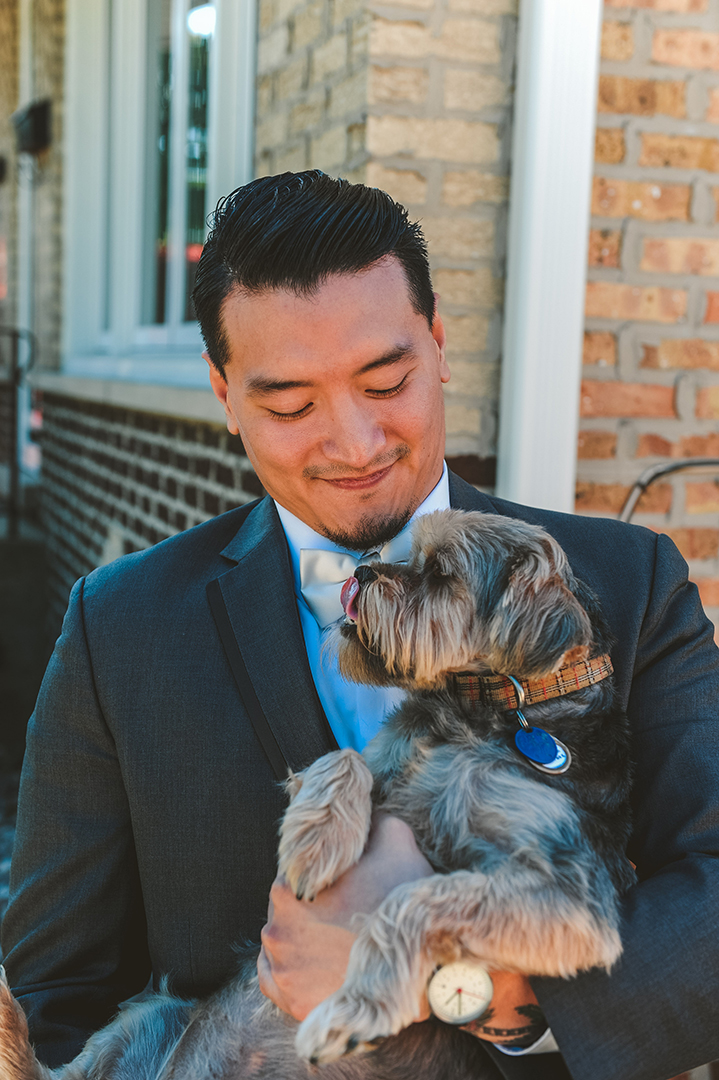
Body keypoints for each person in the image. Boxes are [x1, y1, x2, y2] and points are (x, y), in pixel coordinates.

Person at [2, 171, 718, 1080]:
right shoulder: (120, 626)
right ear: (224, 395)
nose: (353, 443)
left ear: (439, 346)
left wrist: (460, 980)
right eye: (291, 405)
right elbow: (56, 995)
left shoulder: (627, 580)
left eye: (386, 381)